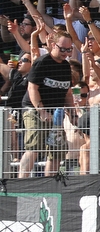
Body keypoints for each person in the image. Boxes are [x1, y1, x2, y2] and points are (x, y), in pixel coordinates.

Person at [20, 30, 73, 177]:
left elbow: (68, 93)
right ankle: (21, 182)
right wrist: (41, 110)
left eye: (69, 49)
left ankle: (50, 183)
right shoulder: (42, 62)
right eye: (62, 49)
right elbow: (32, 88)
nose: (65, 53)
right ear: (52, 45)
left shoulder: (66, 66)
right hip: (34, 109)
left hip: (56, 113)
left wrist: (73, 112)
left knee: (57, 149)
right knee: (35, 145)